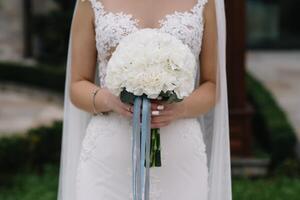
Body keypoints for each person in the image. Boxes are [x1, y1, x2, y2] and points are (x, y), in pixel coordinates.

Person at [57, 0, 232, 199]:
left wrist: (179, 108)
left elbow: (213, 85)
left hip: (178, 158)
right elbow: (78, 84)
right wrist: (110, 100)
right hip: (109, 159)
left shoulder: (207, 2)